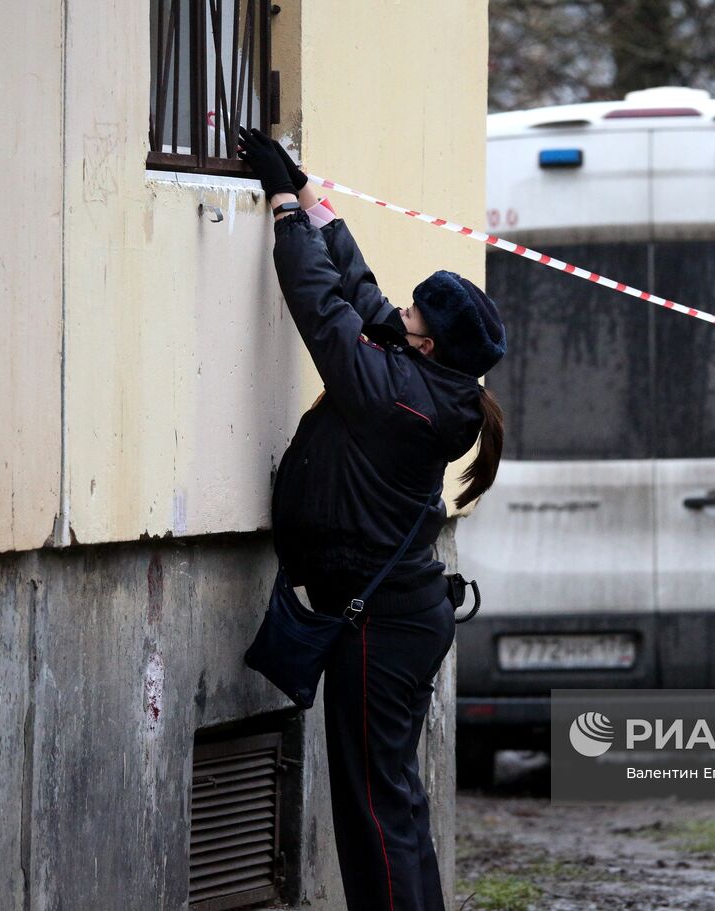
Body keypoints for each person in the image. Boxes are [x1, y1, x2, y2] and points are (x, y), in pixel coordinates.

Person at [237, 126, 505, 911]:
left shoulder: (401, 397)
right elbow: (361, 295)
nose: (400, 315)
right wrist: (312, 199)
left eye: (414, 318)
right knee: (392, 800)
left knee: (374, 811)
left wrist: (284, 213)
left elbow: (325, 312)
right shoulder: (428, 379)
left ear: (430, 348)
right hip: (394, 618)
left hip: (382, 627)